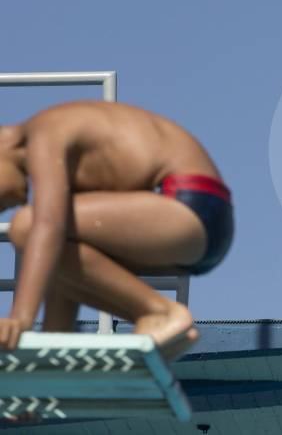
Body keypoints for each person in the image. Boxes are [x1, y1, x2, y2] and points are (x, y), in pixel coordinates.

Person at [0, 101, 234, 359]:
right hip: (196, 226)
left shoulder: (43, 134)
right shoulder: (75, 163)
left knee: (27, 226)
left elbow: (47, 226)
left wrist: (20, 320)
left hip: (186, 205)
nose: (9, 206)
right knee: (51, 250)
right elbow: (61, 261)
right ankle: (160, 317)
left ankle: (160, 313)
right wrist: (51, 349)